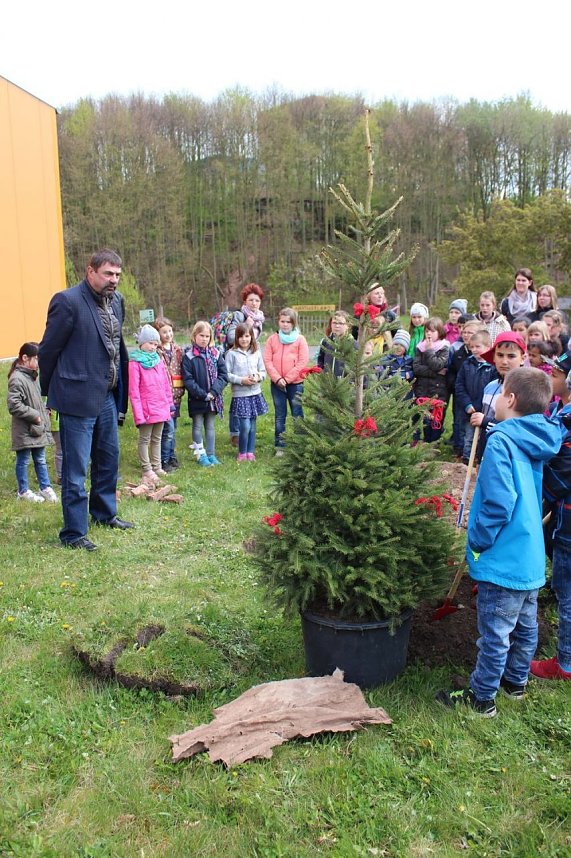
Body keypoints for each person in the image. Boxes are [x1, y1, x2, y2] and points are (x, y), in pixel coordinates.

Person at [437, 367, 561, 715]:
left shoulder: (503, 440)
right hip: (531, 556)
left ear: (510, 399)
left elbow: (498, 501)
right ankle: (515, 683)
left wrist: (478, 540)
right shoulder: (541, 436)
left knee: (495, 633)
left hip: (503, 556)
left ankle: (482, 697)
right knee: (525, 628)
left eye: (500, 392)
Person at [38, 249, 133, 550]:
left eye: (117, 275)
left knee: (108, 460)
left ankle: (104, 513)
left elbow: (116, 347)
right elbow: (48, 350)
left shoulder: (117, 301)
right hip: (75, 398)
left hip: (106, 395)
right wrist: (51, 391)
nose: (113, 280)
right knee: (76, 470)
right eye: (108, 274)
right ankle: (74, 532)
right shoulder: (67, 302)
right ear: (90, 271)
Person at [531, 352, 571, 681]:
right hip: (560, 516)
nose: (550, 375)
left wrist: (536, 491)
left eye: (556, 371)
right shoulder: (561, 411)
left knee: (567, 591)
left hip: (569, 523)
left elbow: (560, 477)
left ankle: (565, 663)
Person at [7, 342, 57, 503]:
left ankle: (45, 487)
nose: (39, 363)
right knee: (23, 460)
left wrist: (43, 410)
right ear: (25, 358)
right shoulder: (17, 378)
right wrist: (35, 415)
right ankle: (23, 491)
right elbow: (14, 404)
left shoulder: (31, 376)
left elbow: (34, 400)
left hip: (36, 428)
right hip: (25, 429)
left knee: (40, 459)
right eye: (36, 358)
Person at [469, 331, 527, 461]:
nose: (504, 361)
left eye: (511, 356)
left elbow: (517, 430)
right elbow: (483, 432)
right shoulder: (490, 387)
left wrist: (485, 421)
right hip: (486, 453)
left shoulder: (525, 390)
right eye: (500, 355)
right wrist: (480, 455)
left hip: (508, 458)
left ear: (523, 358)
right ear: (493, 357)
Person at [129, 325, 174, 487]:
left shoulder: (158, 360)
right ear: (142, 343)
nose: (153, 347)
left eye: (156, 344)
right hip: (146, 409)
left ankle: (157, 466)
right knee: (145, 439)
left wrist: (170, 404)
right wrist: (139, 415)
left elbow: (166, 384)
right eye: (150, 343)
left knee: (157, 438)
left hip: (161, 407)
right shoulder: (135, 363)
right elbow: (134, 391)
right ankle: (146, 468)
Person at [182, 321, 228, 467]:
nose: (204, 339)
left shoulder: (216, 354)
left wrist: (214, 392)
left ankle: (211, 454)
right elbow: (188, 380)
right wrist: (202, 394)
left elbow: (223, 375)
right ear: (194, 336)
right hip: (197, 398)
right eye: (201, 335)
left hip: (214, 399)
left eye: (207, 336)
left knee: (210, 426)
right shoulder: (188, 356)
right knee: (197, 425)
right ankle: (200, 454)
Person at [264, 307, 309, 455]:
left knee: (297, 413)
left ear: (293, 323)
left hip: (295, 383)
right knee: (280, 415)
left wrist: (288, 378)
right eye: (282, 321)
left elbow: (302, 362)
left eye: (288, 322)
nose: (285, 324)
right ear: (278, 321)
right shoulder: (272, 339)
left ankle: (300, 445)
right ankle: (280, 446)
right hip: (277, 384)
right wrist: (277, 378)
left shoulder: (300, 340)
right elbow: (267, 361)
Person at [226, 283, 265, 447]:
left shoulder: (259, 318)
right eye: (251, 300)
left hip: (251, 359)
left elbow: (254, 340)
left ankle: (245, 437)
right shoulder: (240, 316)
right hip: (236, 359)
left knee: (248, 403)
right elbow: (230, 337)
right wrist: (247, 325)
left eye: (257, 300)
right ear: (245, 301)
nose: (254, 303)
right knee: (238, 399)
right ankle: (235, 433)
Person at [224, 323, 268, 461]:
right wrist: (241, 380)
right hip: (240, 395)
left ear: (252, 337)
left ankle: (250, 452)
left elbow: (263, 371)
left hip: (254, 394)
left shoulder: (256, 352)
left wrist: (257, 377)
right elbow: (227, 374)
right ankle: (242, 452)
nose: (244, 339)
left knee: (253, 425)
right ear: (236, 338)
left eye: (247, 336)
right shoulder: (231, 354)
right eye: (241, 336)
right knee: (245, 425)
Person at [454, 330, 496, 463]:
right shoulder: (467, 364)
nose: (474, 350)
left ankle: (480, 461)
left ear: (488, 347)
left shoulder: (493, 367)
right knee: (469, 437)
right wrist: (467, 404)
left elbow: (492, 389)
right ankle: (467, 462)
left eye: (478, 346)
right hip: (470, 410)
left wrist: (480, 407)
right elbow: (459, 386)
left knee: (484, 438)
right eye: (471, 347)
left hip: (486, 411)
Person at [447, 319, 485, 458]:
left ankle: (477, 456)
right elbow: (454, 375)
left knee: (477, 433)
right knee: (460, 424)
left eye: (471, 333)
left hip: (481, 404)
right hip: (463, 397)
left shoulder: (489, 365)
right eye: (465, 332)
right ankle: (461, 451)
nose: (467, 335)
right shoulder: (460, 355)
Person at [154, 317, 185, 472]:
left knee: (174, 428)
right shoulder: (156, 351)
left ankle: (171, 455)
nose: (168, 334)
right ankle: (163, 459)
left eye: (170, 331)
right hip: (163, 397)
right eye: (164, 332)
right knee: (168, 430)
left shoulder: (177, 350)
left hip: (177, 395)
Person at [412, 317, 449, 443]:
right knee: (425, 418)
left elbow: (438, 365)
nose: (428, 334)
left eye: (432, 331)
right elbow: (416, 368)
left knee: (435, 419)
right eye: (427, 331)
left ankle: (434, 444)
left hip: (438, 390)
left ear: (439, 332)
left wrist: (429, 351)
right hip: (422, 389)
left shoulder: (444, 347)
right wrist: (434, 373)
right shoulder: (419, 347)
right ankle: (424, 442)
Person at [318, 311, 356, 377]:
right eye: (334, 323)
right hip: (328, 383)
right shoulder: (325, 342)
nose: (337, 326)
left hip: (345, 384)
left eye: (341, 323)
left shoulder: (353, 344)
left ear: (348, 325)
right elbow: (321, 361)